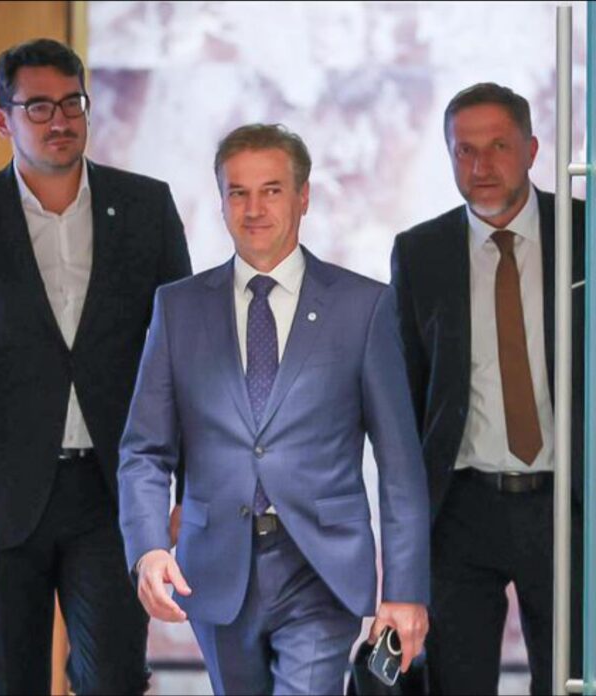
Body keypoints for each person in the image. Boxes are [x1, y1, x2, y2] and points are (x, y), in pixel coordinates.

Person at [0, 38, 191, 695]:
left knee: (114, 679)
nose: (59, 120)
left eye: (71, 103)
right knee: (7, 682)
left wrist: (187, 490)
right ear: (2, 119)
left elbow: (184, 357)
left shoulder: (145, 208)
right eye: (38, 107)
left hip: (113, 494)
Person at [117, 123, 430, 695]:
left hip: (321, 568)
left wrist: (405, 591)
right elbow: (144, 450)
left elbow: (400, 465)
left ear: (303, 196)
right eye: (238, 192)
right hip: (215, 568)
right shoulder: (178, 309)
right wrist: (148, 549)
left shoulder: (362, 307)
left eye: (271, 190)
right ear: (221, 202)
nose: (254, 208)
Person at [390, 82, 584, 695]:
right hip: (461, 510)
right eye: (465, 150)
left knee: (570, 679)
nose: (481, 166)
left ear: (531, 149)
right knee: (455, 682)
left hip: (569, 504)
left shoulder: (584, 233)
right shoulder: (420, 253)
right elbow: (405, 398)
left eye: (498, 146)